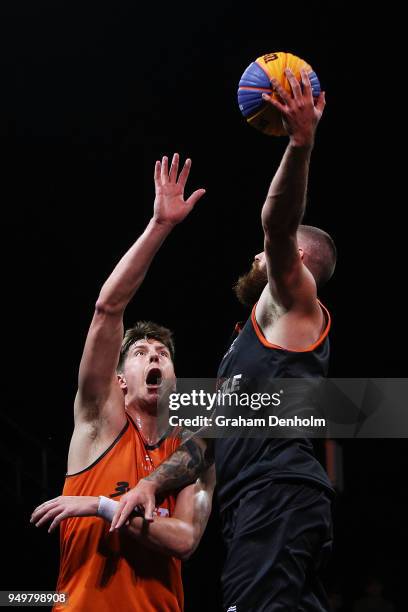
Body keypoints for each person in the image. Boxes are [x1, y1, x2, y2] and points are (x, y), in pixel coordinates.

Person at [110, 69, 337, 611]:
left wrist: (300, 144)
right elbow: (203, 444)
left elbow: (277, 225)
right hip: (258, 505)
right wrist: (150, 486)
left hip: (275, 493)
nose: (255, 257)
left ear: (299, 263)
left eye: (267, 255)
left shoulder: (293, 301)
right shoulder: (245, 346)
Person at [31, 154, 215, 612]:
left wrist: (101, 506)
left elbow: (186, 539)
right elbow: (107, 311)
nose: (155, 356)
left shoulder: (190, 450)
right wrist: (160, 226)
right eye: (140, 353)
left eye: (163, 354)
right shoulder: (100, 421)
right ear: (120, 380)